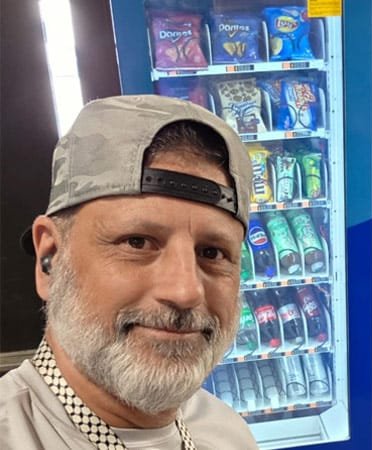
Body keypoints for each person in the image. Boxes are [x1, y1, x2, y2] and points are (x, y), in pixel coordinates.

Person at [0, 95, 259, 449]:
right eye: (137, 242)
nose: (185, 292)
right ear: (51, 260)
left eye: (212, 252)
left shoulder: (227, 432)